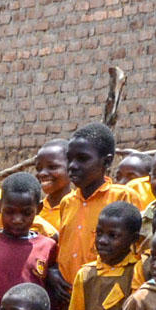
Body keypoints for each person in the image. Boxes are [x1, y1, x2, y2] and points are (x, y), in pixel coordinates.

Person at [65, 200, 143, 310]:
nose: (102, 240)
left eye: (113, 236)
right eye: (99, 233)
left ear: (133, 238)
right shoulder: (86, 274)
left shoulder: (138, 270)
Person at [56, 122, 133, 285]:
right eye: (69, 159)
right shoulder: (67, 203)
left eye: (83, 159)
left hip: (104, 290)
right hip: (66, 295)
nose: (72, 166)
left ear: (106, 162)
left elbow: (135, 251)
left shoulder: (123, 197)